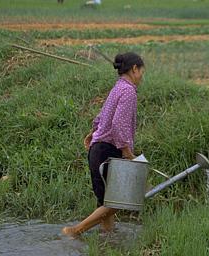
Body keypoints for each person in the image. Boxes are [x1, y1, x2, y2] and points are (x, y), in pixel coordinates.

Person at [62, 52, 145, 237]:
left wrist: (93, 133)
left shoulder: (118, 87)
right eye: (141, 71)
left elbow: (103, 115)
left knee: (105, 202)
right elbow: (118, 124)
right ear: (134, 69)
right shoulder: (129, 91)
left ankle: (107, 239)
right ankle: (76, 231)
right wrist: (127, 152)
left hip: (97, 149)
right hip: (108, 150)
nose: (142, 76)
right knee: (117, 201)